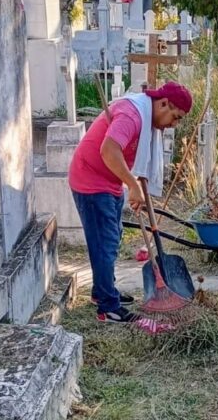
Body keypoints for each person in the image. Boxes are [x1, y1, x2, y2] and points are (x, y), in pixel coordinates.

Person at [69, 81, 192, 323]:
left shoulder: (148, 119)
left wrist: (137, 185)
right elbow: (109, 150)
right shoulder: (132, 115)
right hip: (90, 180)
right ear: (164, 103)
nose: (174, 124)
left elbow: (132, 156)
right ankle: (108, 308)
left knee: (113, 237)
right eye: (175, 117)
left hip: (109, 181)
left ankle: (103, 291)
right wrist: (133, 185)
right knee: (104, 243)